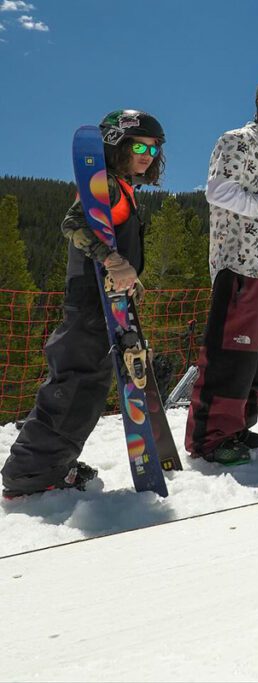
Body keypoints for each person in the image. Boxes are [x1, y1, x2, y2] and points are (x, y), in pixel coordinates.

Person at [2, 110, 165, 497]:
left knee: (87, 386)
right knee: (76, 384)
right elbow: (73, 224)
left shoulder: (121, 188)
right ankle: (31, 473)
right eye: (139, 146)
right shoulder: (105, 185)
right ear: (116, 145)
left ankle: (47, 463)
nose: (147, 154)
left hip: (103, 302)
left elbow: (108, 239)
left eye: (154, 149)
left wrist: (128, 279)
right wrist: (112, 261)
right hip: (90, 305)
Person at [185, 80, 258, 466]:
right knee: (232, 355)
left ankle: (238, 427)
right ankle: (209, 438)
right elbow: (218, 191)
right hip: (243, 262)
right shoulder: (237, 140)